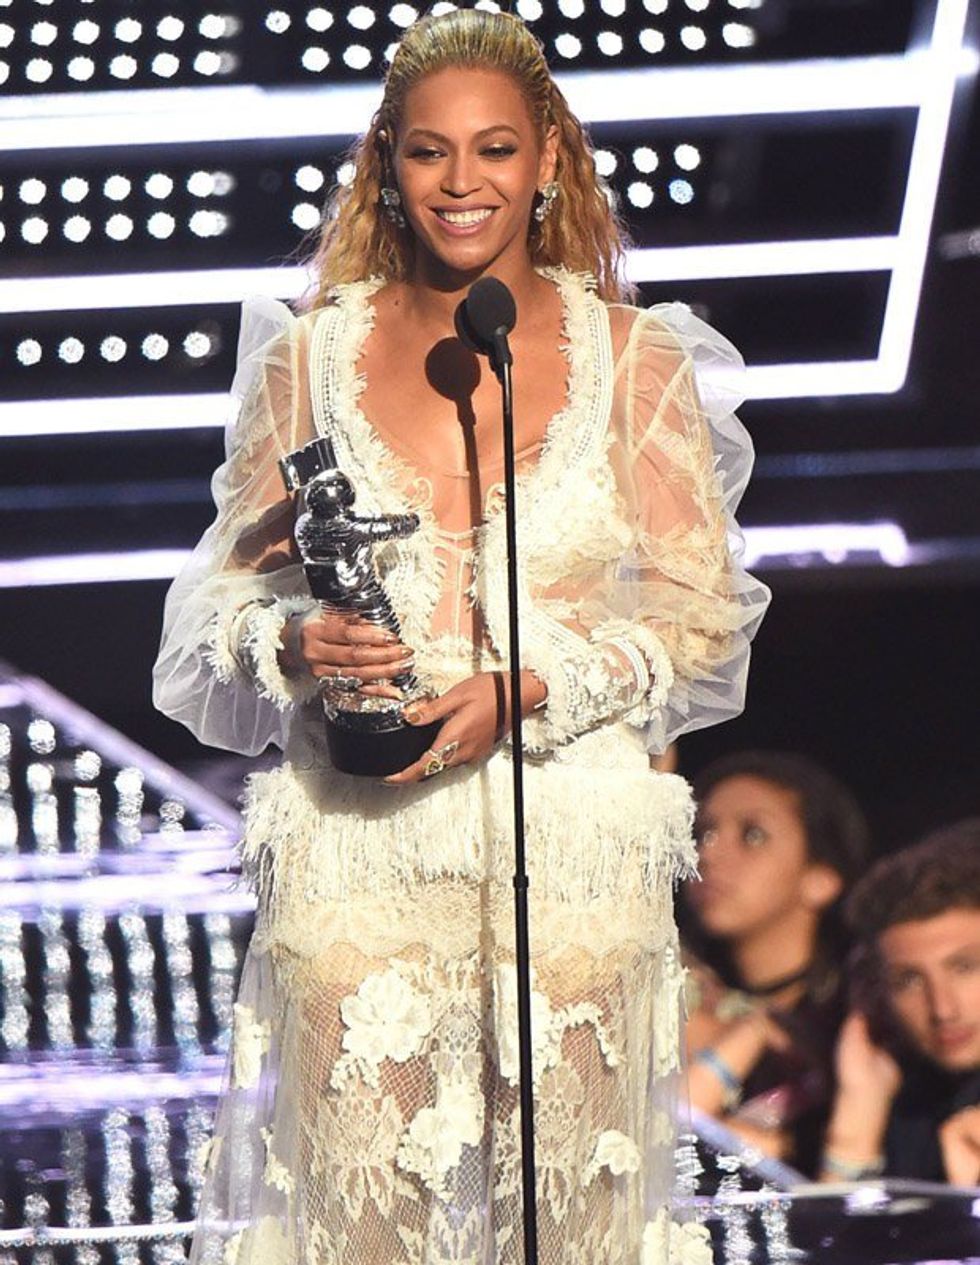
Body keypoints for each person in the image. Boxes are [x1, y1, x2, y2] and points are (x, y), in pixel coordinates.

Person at [153, 10, 768, 1263]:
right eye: (428, 151)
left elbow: (701, 615)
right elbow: (219, 601)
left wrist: (531, 687)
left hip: (572, 843)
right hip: (358, 842)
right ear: (388, 163)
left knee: (575, 1231)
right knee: (357, 1229)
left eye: (493, 148)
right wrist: (295, 645)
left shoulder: (634, 359)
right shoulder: (310, 357)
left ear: (547, 159)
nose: (460, 181)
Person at [681, 751, 869, 1176]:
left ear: (821, 879)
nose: (708, 854)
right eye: (704, 832)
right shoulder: (674, 997)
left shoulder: (853, 1020)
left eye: (752, 835)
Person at [821, 820, 980, 1186]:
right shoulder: (911, 1106)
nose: (943, 1009)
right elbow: (836, 1227)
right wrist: (856, 1126)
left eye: (965, 967)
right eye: (909, 981)